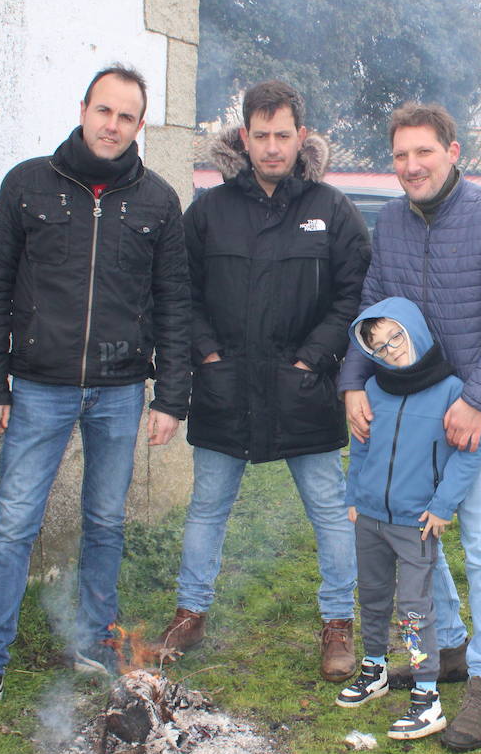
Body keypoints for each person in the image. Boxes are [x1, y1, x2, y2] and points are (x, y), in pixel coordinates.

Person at [0, 65, 192, 728]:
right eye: (103, 110)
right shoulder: (27, 185)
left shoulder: (159, 203)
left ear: (140, 125)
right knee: (14, 526)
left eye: (126, 116)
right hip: (36, 387)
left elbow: (175, 305)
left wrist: (171, 396)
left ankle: (94, 640)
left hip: (119, 391)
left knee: (106, 523)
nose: (112, 125)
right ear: (83, 108)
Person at [340, 101, 481, 752]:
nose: (410, 166)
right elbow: (371, 310)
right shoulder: (392, 222)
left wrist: (478, 400)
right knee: (415, 533)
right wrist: (350, 382)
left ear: (454, 151)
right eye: (400, 155)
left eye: (423, 151)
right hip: (410, 408)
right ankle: (449, 650)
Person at [157, 80, 370, 683]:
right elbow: (182, 292)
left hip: (302, 389)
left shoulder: (332, 210)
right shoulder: (210, 210)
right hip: (226, 388)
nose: (272, 147)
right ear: (243, 136)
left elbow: (353, 296)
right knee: (207, 509)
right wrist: (209, 356)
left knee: (330, 511)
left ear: (301, 137)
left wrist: (314, 360)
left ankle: (337, 624)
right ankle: (190, 612)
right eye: (261, 135)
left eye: (283, 136)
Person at [335, 297, 481, 741]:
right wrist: (354, 495)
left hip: (414, 522)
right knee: (374, 597)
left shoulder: (452, 391)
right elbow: (360, 448)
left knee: (416, 610)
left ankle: (426, 696)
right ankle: (374, 668)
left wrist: (442, 506)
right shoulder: (375, 391)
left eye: (395, 336)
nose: (391, 350)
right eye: (378, 346)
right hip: (370, 517)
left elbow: (467, 457)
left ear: (415, 330)